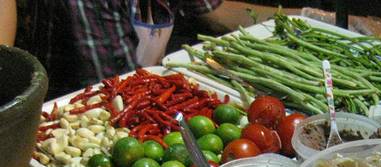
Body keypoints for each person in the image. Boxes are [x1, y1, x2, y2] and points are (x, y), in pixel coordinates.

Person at [12, 0, 298, 100]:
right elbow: (116, 89)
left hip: (144, 86)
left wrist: (303, 17)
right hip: (85, 108)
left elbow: (216, 11)